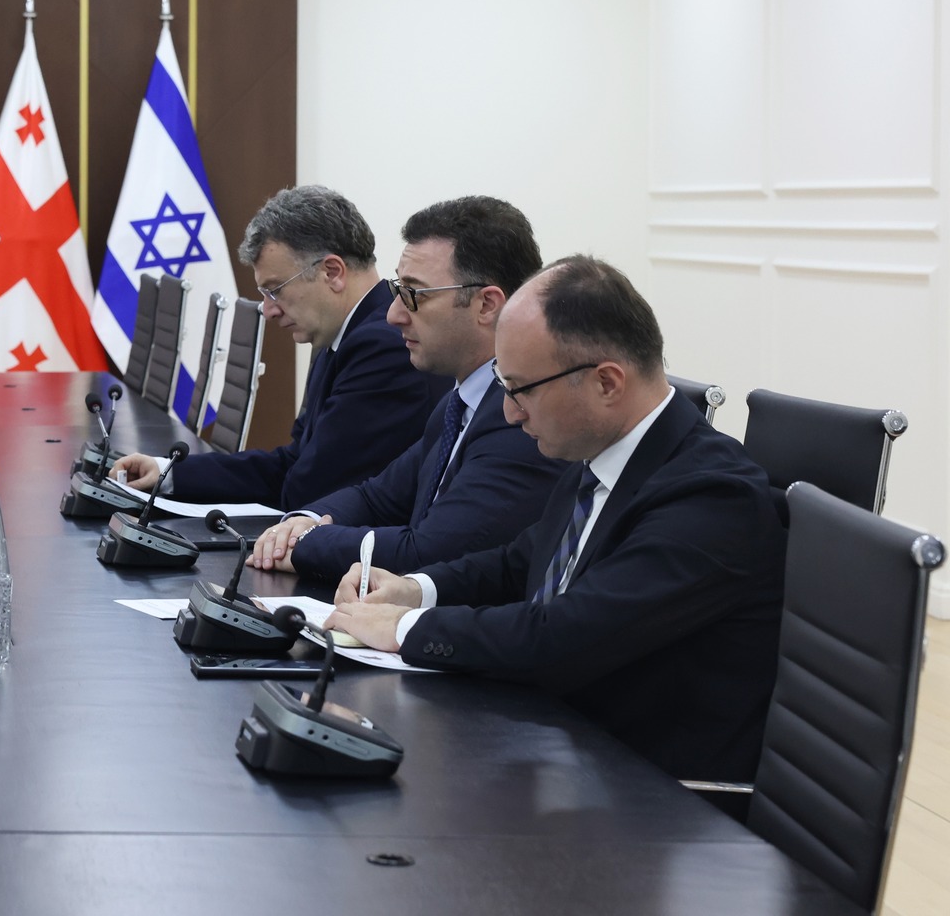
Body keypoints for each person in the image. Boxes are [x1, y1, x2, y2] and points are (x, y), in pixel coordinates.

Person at [325, 256, 786, 783]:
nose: (509, 413)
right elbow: (519, 562)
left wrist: (404, 628)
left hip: (647, 792)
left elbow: (563, 637)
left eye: (521, 389)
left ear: (607, 383)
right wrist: (415, 590)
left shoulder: (711, 498)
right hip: (562, 746)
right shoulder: (602, 453)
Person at [249, 196, 563, 578]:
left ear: (486, 305)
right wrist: (307, 520)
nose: (394, 314)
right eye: (398, 289)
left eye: (414, 295)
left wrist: (306, 543)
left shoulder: (519, 415)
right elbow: (375, 497)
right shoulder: (461, 402)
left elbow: (428, 552)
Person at [113, 185, 448, 510]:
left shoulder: (383, 347)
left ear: (332, 272)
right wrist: (168, 473)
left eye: (275, 290)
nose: (269, 310)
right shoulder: (343, 334)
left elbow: (308, 489)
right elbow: (294, 462)